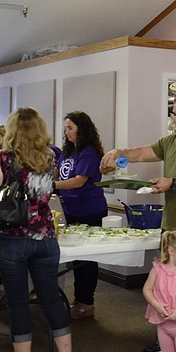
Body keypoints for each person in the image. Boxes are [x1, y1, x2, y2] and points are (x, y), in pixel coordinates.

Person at [101, 93, 176, 351]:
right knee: (168, 280)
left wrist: (174, 181)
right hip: (171, 224)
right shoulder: (172, 140)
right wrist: (119, 152)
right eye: (174, 114)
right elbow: (142, 153)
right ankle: (169, 334)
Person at [0, 108, 76, 352]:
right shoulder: (49, 156)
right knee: (51, 299)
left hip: (13, 239)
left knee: (18, 301)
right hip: (46, 237)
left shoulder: (6, 159)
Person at [54, 111, 107, 320]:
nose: (67, 132)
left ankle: (86, 302)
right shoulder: (68, 151)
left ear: (81, 129)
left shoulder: (89, 152)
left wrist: (51, 185)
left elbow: (78, 181)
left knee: (86, 260)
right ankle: (78, 299)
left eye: (70, 128)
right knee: (75, 259)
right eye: (66, 128)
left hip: (90, 210)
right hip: (70, 210)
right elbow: (59, 173)